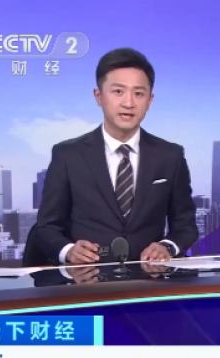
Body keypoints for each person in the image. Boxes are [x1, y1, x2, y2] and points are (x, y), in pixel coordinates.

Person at [35, 48, 198, 266]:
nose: (128, 103)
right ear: (98, 96)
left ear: (150, 100)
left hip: (151, 278)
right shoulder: (68, 155)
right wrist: (69, 251)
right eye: (118, 91)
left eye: (138, 93)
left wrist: (167, 247)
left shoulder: (170, 156)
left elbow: (186, 226)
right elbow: (46, 227)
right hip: (86, 279)